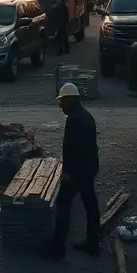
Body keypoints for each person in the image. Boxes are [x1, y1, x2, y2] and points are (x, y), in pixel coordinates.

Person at [48, 82, 100, 259]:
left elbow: (72, 149)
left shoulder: (75, 120)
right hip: (88, 169)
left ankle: (57, 250)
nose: (60, 105)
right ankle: (93, 243)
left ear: (71, 99)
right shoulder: (86, 116)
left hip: (78, 171)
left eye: (62, 101)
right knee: (91, 205)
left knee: (63, 204)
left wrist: (67, 172)